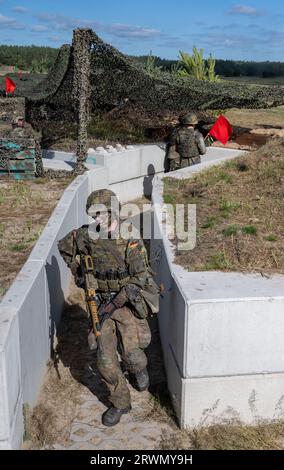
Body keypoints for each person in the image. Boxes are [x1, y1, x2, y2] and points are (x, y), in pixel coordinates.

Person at [57, 189, 160, 426]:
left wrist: (115, 302)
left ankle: (138, 370)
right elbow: (64, 247)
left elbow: (139, 279)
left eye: (101, 213)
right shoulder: (85, 235)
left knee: (133, 355)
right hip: (98, 304)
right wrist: (79, 272)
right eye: (93, 214)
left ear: (113, 210)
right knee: (105, 361)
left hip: (124, 304)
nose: (96, 219)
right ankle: (120, 403)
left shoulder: (129, 237)